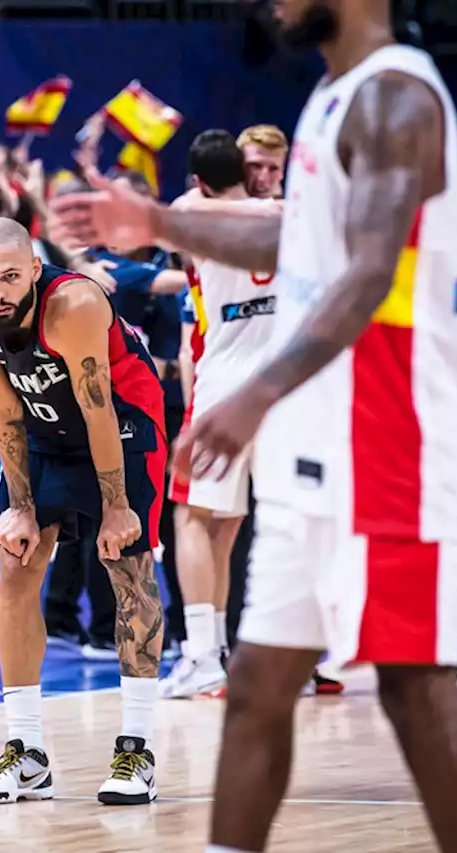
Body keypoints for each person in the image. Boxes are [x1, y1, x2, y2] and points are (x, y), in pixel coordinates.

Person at [52, 0, 457, 848]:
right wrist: (157, 222)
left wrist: (256, 391)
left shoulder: (396, 96)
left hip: (393, 433)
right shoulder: (333, 95)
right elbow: (300, 231)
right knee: (259, 683)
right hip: (318, 432)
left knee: (416, 692)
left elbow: (371, 270)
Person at [0, 216, 166, 807]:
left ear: (35, 271)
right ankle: (27, 754)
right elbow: (2, 410)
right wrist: (20, 507)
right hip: (42, 434)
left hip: (120, 426)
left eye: (11, 277)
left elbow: (97, 411)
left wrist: (115, 507)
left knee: (128, 574)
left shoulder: (73, 304)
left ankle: (136, 749)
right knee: (16, 568)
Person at [161, 130, 279, 700]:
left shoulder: (194, 212)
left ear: (201, 179)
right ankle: (225, 651)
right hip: (281, 385)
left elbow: (178, 211)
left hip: (226, 383)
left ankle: (201, 655)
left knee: (190, 517)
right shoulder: (281, 213)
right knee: (230, 529)